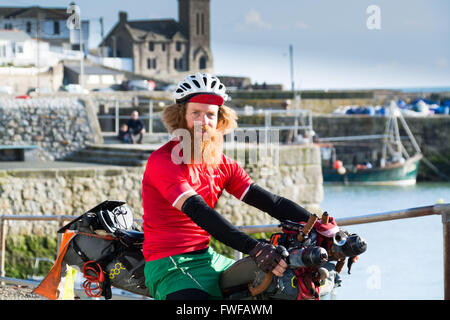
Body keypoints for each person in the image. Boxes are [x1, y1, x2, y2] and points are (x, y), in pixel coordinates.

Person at [141, 72, 335, 300]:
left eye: (211, 115)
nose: (204, 122)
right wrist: (255, 248)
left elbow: (272, 203)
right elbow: (198, 211)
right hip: (169, 263)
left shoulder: (222, 164)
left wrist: (327, 230)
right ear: (180, 117)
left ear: (220, 120)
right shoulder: (163, 161)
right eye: (196, 113)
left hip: (208, 258)